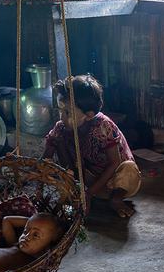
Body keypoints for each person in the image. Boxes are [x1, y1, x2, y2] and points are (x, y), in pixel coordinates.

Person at [42, 74, 141, 218]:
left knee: (129, 169)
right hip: (90, 181)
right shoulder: (61, 128)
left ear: (88, 115)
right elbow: (45, 160)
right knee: (60, 143)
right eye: (60, 110)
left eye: (67, 112)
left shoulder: (103, 126)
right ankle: (82, 195)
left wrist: (89, 194)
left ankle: (116, 199)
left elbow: (115, 163)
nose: (61, 117)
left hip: (116, 182)